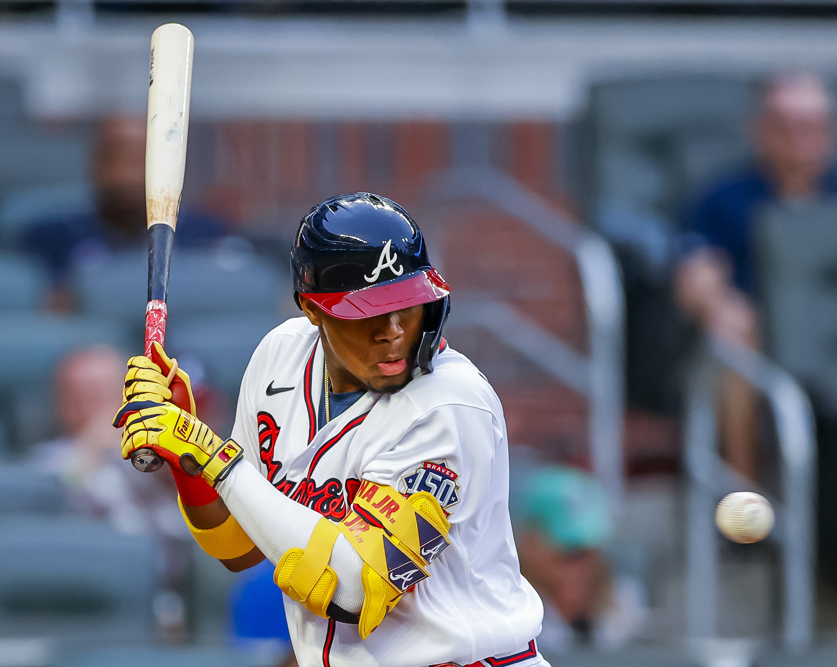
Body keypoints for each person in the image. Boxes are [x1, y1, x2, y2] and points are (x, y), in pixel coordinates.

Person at [113, 193, 547, 667]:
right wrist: (188, 459)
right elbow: (237, 545)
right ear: (312, 309)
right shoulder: (280, 356)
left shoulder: (449, 406)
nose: (394, 330)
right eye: (369, 311)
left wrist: (218, 462)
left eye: (408, 305)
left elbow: (355, 587)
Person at [674, 72, 837, 481]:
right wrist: (721, 305)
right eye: (787, 126)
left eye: (813, 126)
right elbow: (695, 272)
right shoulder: (722, 197)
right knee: (733, 343)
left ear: (832, 132)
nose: (801, 139)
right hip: (763, 340)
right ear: (760, 131)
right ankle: (744, 510)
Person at [26, 345, 191, 639]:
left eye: (110, 393)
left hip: (168, 586)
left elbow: (185, 506)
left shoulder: (153, 452)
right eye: (89, 395)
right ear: (66, 405)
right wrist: (90, 449)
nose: (105, 407)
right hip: (83, 588)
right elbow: (52, 517)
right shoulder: (49, 461)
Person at [19, 115, 227, 309]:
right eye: (118, 157)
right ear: (96, 164)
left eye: (146, 158)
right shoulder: (49, 239)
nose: (131, 175)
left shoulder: (206, 235)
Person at [511, 464, 647, 653]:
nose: (583, 569)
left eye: (592, 554)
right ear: (530, 544)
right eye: (571, 555)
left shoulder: (622, 608)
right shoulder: (507, 613)